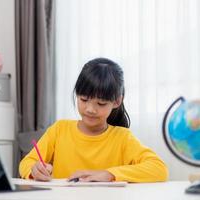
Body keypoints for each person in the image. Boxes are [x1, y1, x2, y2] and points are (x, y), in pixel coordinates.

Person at [19, 58, 168, 182]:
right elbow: (26, 163)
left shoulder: (122, 137)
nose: (90, 109)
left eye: (101, 103)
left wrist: (109, 174)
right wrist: (34, 170)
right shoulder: (60, 130)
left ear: (116, 102)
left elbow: (159, 168)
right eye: (84, 99)